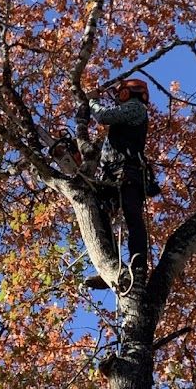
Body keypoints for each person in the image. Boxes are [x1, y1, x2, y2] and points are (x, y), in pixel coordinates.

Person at [83, 78, 153, 290]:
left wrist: (92, 102)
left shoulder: (135, 108)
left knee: (132, 216)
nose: (117, 99)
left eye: (119, 94)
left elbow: (104, 116)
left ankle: (138, 267)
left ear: (127, 93)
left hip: (128, 172)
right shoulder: (129, 112)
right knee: (100, 214)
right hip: (112, 173)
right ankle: (112, 267)